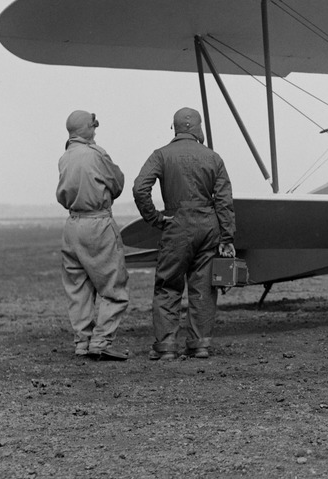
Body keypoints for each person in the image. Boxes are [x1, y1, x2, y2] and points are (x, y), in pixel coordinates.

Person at [133, 107, 236, 359]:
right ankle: (200, 344)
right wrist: (227, 237)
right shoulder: (213, 158)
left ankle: (166, 346)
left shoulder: (161, 155)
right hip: (208, 226)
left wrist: (155, 218)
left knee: (168, 285)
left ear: (175, 128)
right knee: (203, 287)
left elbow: (139, 188)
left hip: (176, 225)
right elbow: (224, 201)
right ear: (198, 128)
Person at [55, 110, 130, 360]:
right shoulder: (97, 154)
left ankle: (82, 342)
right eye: (93, 126)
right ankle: (101, 341)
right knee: (113, 285)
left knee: (78, 288)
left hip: (72, 226)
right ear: (85, 129)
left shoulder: (64, 157)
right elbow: (117, 183)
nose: (95, 130)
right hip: (97, 223)